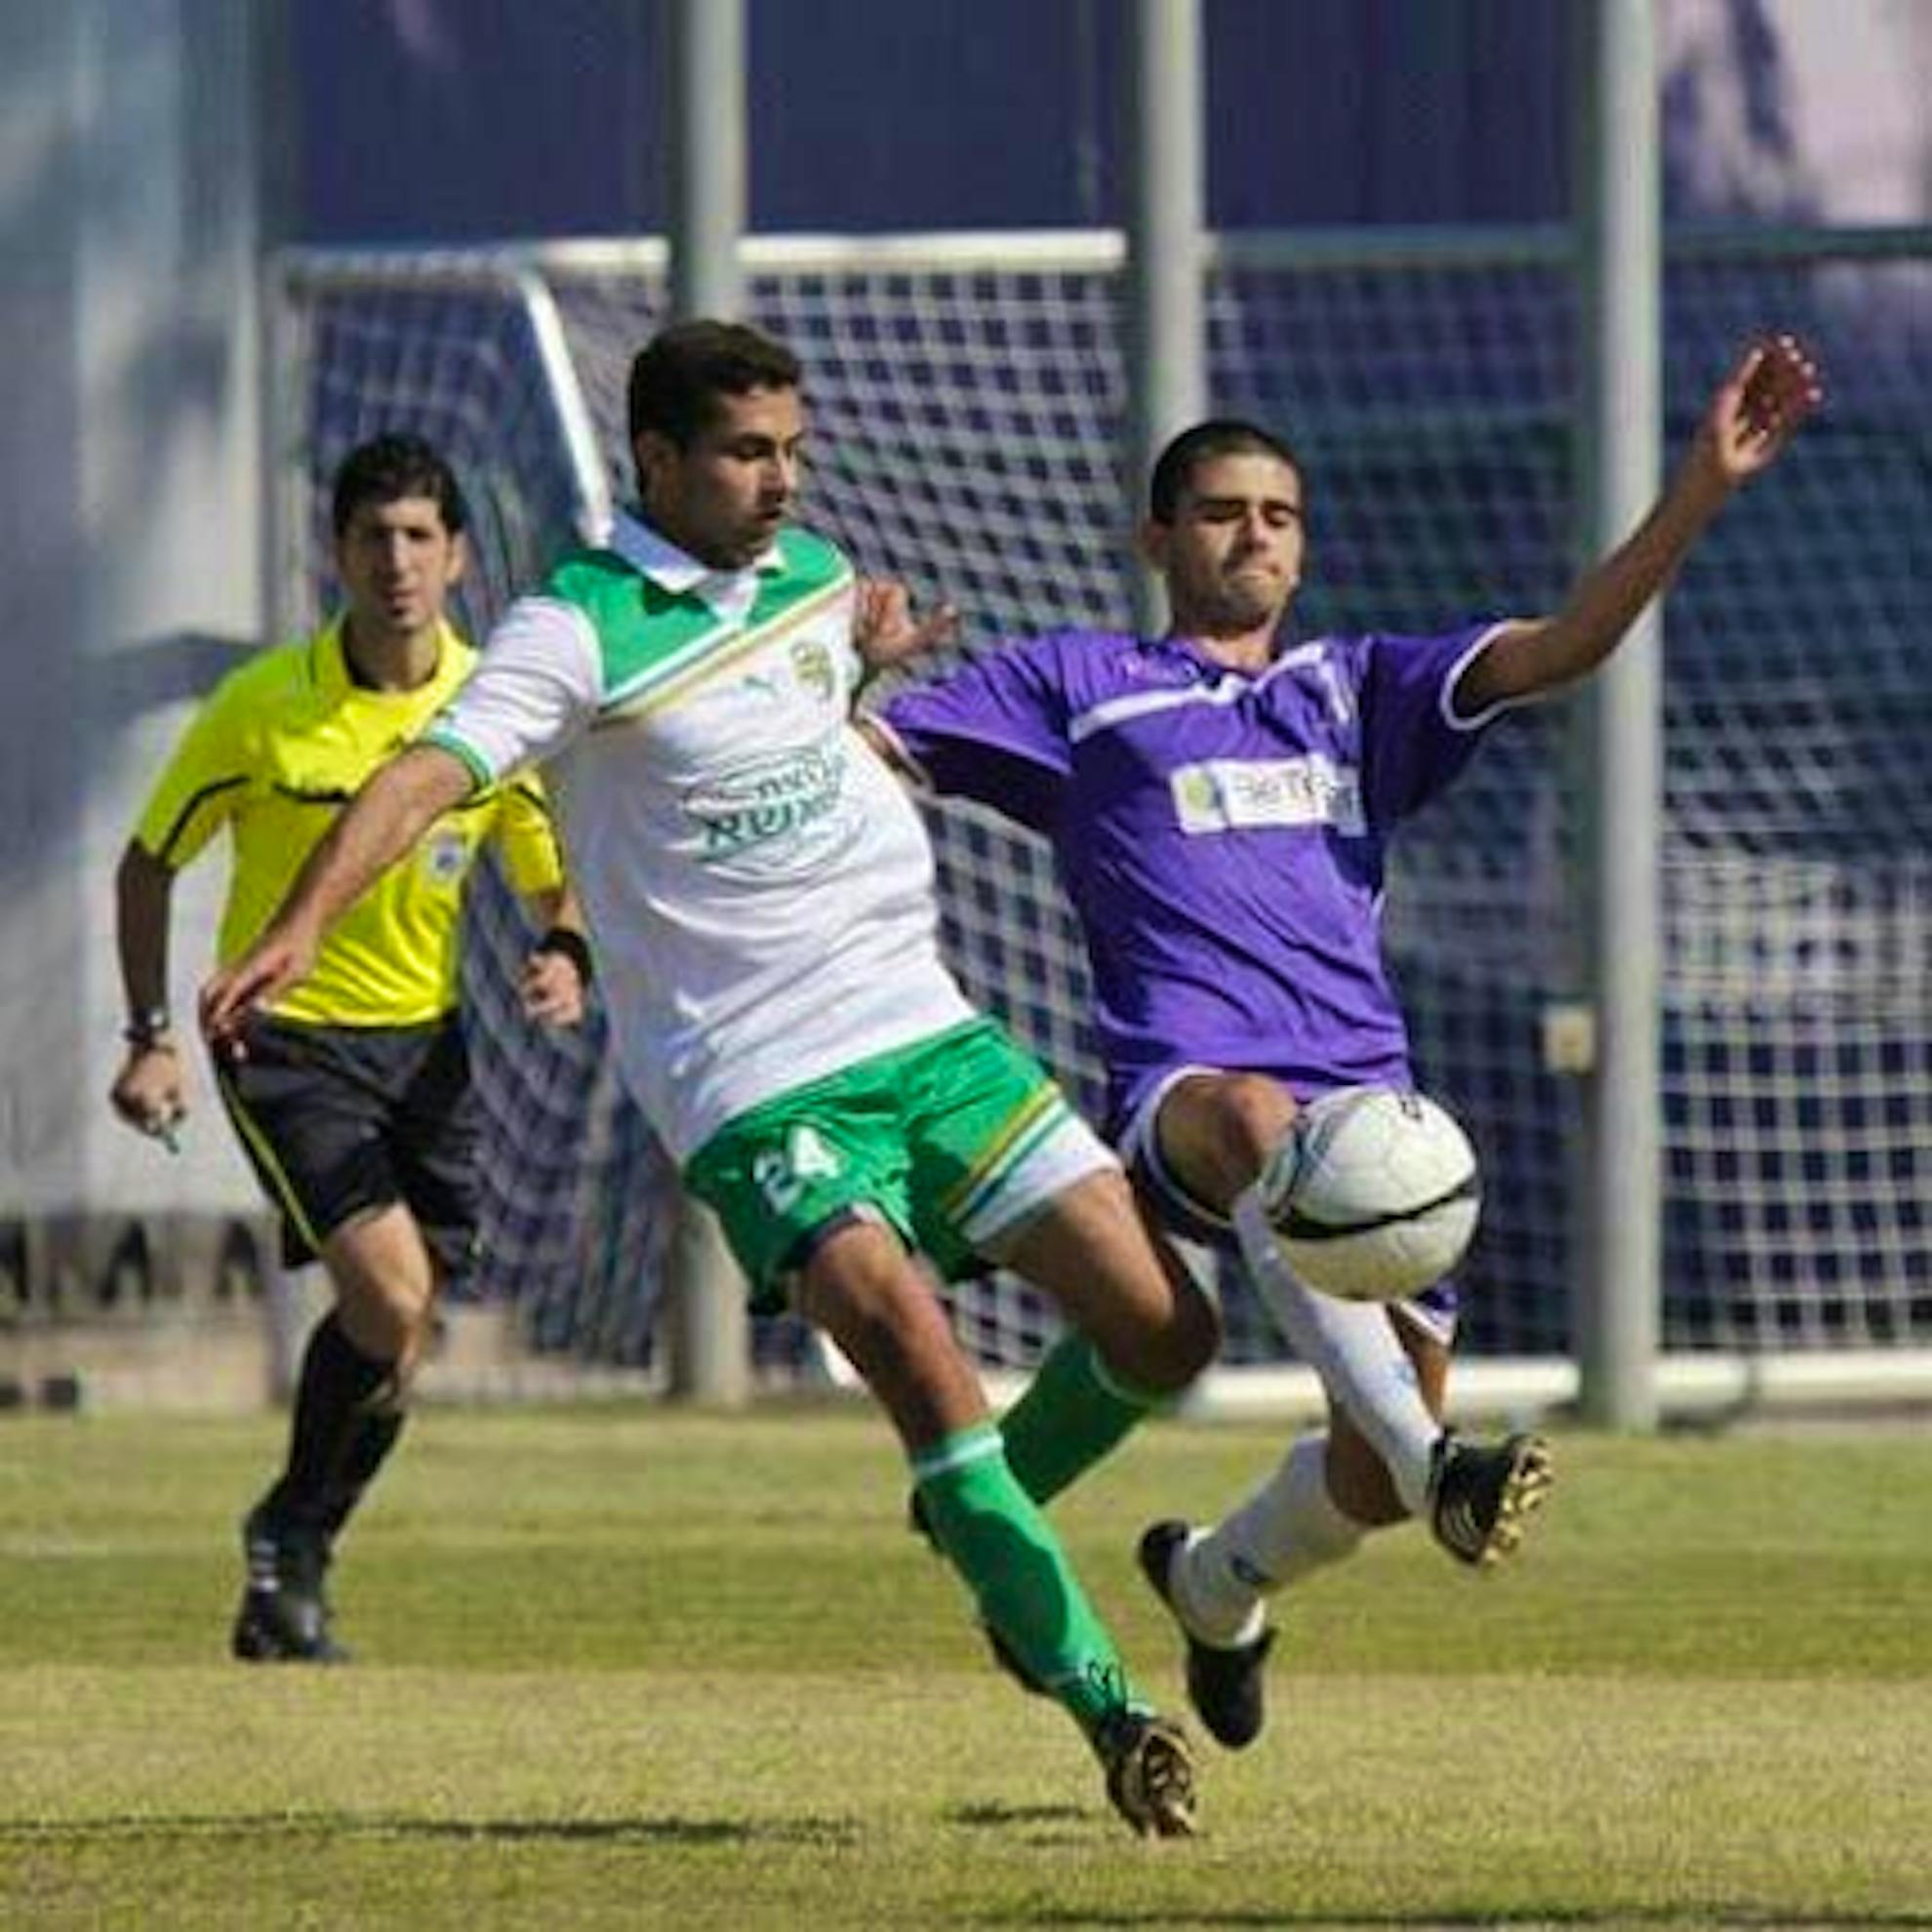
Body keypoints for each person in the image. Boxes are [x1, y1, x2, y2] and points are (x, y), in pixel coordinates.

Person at [199, 321, 1220, 1838]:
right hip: (760, 1090)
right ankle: (1106, 1707)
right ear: (659, 460)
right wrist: (296, 922)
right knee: (929, 1373)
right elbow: (423, 776)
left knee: (1169, 1331)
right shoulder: (574, 628)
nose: (780, 482)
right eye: (749, 454)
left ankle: (976, 1520)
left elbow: (797, 701)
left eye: (793, 452)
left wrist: (861, 658)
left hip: (928, 1034)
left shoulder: (809, 581)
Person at [867, 334, 1823, 1750]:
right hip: (1190, 1091)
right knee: (1266, 1149)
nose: (1253, 534)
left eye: (1278, 516)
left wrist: (1702, 487)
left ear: (1302, 549)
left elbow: (1568, 645)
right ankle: (1445, 1468)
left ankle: (1213, 1584)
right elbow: (870, 757)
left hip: (1379, 1133)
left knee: (1356, 1486)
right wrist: (848, 673)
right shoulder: (1085, 685)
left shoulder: (1356, 689)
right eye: (1220, 511)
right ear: (1157, 536)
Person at [111, 432, 590, 1665]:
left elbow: (553, 882)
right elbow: (148, 861)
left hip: (426, 1050)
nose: (397, 563)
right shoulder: (266, 706)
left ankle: (292, 1541)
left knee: (405, 1326)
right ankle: (293, 1539)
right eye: (373, 538)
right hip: (282, 1038)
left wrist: (565, 951)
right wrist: (150, 1038)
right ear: (337, 553)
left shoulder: (490, 711)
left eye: (419, 537)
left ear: (458, 556)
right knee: (389, 1297)